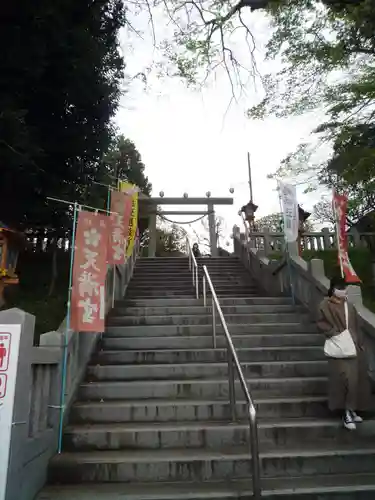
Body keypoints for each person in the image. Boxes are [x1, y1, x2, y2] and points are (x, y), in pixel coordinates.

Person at [317, 276, 372, 430]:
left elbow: (357, 325)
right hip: (338, 347)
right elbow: (321, 323)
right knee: (344, 380)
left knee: (357, 381)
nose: (342, 291)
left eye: (344, 288)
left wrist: (359, 343)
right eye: (340, 288)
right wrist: (334, 332)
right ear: (333, 288)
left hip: (354, 346)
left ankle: (351, 409)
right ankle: (346, 412)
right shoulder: (325, 304)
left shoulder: (349, 305)